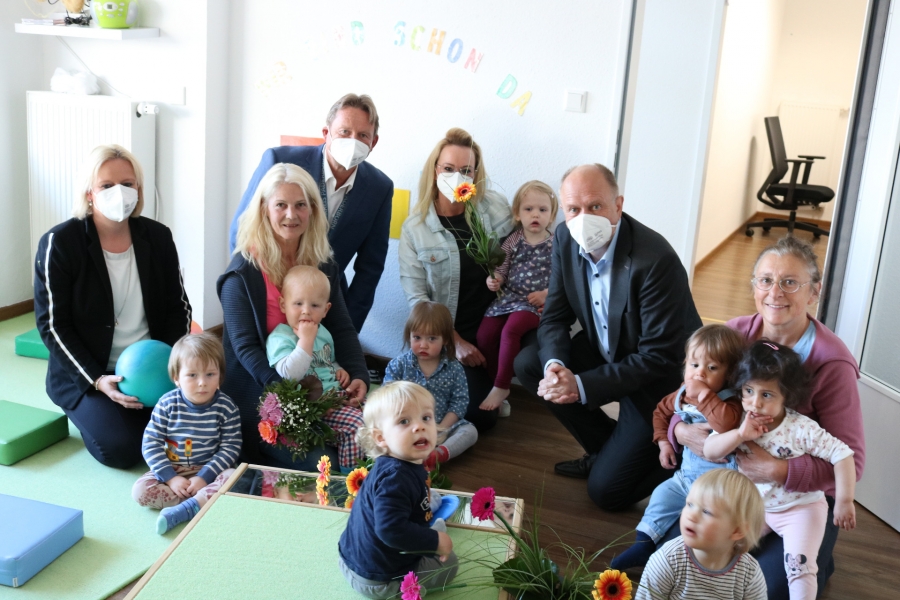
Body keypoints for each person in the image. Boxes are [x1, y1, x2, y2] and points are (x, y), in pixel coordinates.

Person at [669, 236, 865, 599]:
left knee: (770, 589)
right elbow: (691, 390)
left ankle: (821, 555)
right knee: (681, 555)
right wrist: (679, 429)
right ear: (753, 286)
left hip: (799, 500)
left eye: (790, 282)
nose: (775, 292)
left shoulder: (832, 362)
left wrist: (778, 470)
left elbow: (853, 459)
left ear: (814, 291)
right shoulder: (734, 334)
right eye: (765, 280)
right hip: (739, 488)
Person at [513, 163, 702, 511]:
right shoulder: (565, 239)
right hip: (608, 347)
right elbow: (554, 316)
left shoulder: (655, 260)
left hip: (656, 380)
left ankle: (688, 460)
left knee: (606, 493)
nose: (584, 218)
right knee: (531, 363)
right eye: (574, 209)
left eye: (595, 206)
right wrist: (556, 367)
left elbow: (658, 358)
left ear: (618, 205)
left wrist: (580, 386)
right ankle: (605, 450)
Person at [33, 144, 191, 469]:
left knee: (208, 427)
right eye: (107, 185)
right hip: (91, 371)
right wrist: (95, 378)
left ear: (139, 190)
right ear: (90, 193)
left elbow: (179, 308)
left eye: (128, 184)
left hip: (150, 368)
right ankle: (87, 410)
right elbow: (52, 325)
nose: (119, 192)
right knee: (124, 450)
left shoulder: (158, 237)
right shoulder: (60, 243)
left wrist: (176, 366)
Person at [218, 163, 368, 469]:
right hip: (263, 394)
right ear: (263, 209)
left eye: (300, 205)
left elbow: (341, 327)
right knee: (324, 462)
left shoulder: (323, 265)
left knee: (372, 437)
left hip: (322, 388)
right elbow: (246, 350)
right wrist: (291, 398)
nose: (291, 214)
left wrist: (358, 376)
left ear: (313, 209)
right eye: (281, 205)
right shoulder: (241, 275)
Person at [704, 341, 856, 600]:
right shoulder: (739, 420)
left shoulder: (800, 428)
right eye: (748, 390)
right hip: (755, 507)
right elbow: (710, 450)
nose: (754, 403)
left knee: (799, 569)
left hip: (801, 509)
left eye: (767, 395)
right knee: (722, 548)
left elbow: (843, 455)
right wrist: (739, 434)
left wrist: (844, 501)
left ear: (787, 396)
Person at [229, 94, 393, 332]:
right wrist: (253, 294)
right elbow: (242, 230)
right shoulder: (280, 161)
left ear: (373, 142)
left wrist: (348, 328)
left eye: (362, 135)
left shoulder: (379, 188)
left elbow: (371, 267)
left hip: (323, 307)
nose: (353, 140)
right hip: (268, 298)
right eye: (345, 132)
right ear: (327, 133)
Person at [398, 127, 514, 432]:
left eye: (466, 170)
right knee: (471, 413)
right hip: (447, 336)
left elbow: (524, 249)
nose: (457, 176)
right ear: (435, 170)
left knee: (482, 414)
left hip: (493, 329)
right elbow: (418, 301)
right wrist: (456, 342)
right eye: (448, 169)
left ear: (476, 174)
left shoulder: (495, 208)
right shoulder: (415, 229)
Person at [612, 324, 745, 571]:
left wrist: (705, 397)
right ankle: (643, 544)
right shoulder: (680, 395)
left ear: (729, 375)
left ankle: (688, 565)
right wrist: (664, 442)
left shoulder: (731, 400)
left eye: (712, 368)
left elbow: (726, 423)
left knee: (703, 528)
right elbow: (660, 413)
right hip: (684, 478)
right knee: (661, 496)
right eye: (694, 365)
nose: (700, 374)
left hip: (718, 490)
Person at [338, 382, 458, 598]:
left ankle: (431, 526)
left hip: (351, 557)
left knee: (430, 499)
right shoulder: (395, 478)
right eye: (404, 421)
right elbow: (390, 529)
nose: (419, 427)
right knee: (450, 564)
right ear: (381, 438)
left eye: (426, 418)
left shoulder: (396, 465)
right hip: (379, 579)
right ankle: (433, 533)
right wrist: (435, 541)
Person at [131, 333, 240, 534]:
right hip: (174, 470)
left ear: (220, 376)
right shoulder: (166, 404)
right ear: (176, 378)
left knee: (234, 477)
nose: (202, 383)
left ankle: (185, 509)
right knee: (140, 490)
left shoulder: (226, 407)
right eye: (192, 375)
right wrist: (171, 478)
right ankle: (200, 502)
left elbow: (230, 447)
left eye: (210, 374)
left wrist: (204, 477)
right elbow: (150, 443)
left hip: (210, 472)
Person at [265, 265, 365, 471]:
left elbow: (326, 360)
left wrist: (340, 370)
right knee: (358, 427)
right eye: (298, 303)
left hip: (338, 397)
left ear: (326, 309)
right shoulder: (280, 337)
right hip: (314, 410)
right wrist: (305, 341)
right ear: (283, 305)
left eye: (315, 305)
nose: (306, 311)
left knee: (380, 413)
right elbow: (289, 374)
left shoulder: (323, 332)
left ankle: (378, 469)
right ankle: (351, 482)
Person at [476, 180, 557, 417]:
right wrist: (496, 280)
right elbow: (502, 266)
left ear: (551, 216)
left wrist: (546, 294)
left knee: (511, 330)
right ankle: (494, 384)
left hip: (534, 305)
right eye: (528, 209)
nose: (535, 215)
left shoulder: (554, 244)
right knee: (485, 334)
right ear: (517, 214)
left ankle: (502, 387)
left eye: (543, 210)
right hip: (509, 298)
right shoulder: (514, 239)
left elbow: (563, 279)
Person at [636, 468, 767, 600]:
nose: (691, 515)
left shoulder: (749, 573)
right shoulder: (667, 560)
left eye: (706, 512)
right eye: (690, 504)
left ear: (737, 531)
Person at [384, 301, 478, 471]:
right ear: (409, 336)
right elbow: (387, 398)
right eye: (417, 337)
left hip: (441, 428)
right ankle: (407, 453)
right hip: (407, 428)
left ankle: (438, 455)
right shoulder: (398, 365)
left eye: (432, 338)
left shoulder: (454, 368)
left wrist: (440, 428)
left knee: (470, 431)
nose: (423, 345)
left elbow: (459, 402)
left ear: (446, 340)